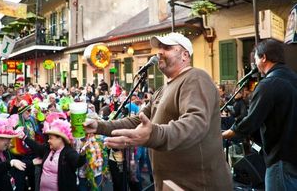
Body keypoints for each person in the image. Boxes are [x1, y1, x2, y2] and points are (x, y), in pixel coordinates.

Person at [84, 32, 232, 191]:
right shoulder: (162, 90)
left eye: (167, 48)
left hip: (198, 185)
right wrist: (99, 127)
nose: (159, 52)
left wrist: (152, 134)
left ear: (185, 55)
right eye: (159, 48)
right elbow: (137, 121)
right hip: (171, 184)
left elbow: (195, 124)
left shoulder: (195, 78)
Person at [222, 39, 297, 190]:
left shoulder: (268, 84)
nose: (255, 63)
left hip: (280, 160)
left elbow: (251, 122)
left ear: (263, 57)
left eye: (255, 58)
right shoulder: (293, 78)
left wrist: (223, 135)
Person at [20, 112, 87, 191]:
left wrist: (82, 154)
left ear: (60, 139)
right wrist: (24, 137)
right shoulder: (47, 149)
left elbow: (78, 162)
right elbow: (36, 147)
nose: (48, 140)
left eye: (51, 138)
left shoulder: (68, 152)